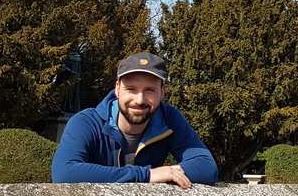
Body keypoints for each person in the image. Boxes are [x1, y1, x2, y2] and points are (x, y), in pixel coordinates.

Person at [52, 52, 217, 186]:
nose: (139, 100)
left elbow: (206, 167)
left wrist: (169, 173)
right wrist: (147, 175)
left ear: (162, 92)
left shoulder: (169, 119)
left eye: (150, 90)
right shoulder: (86, 122)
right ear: (117, 89)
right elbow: (64, 172)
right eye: (131, 89)